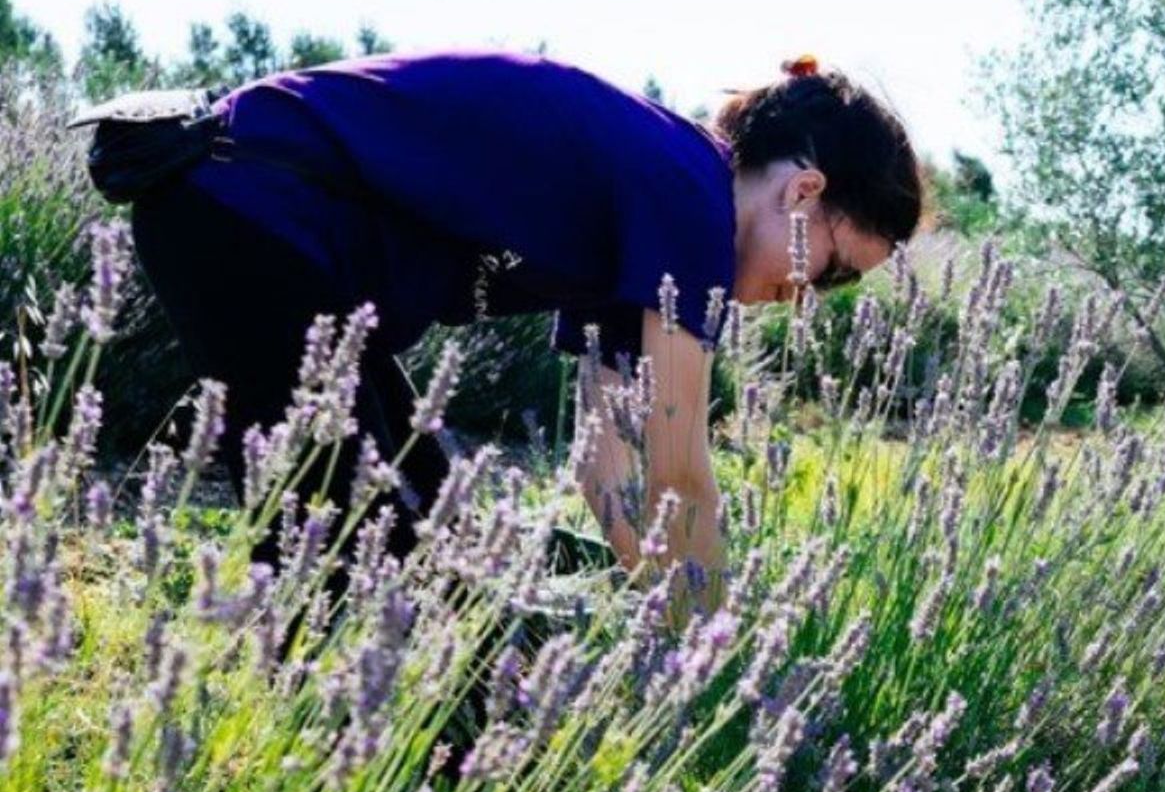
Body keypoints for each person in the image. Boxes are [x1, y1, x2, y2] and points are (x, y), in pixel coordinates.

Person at [108, 50, 920, 614]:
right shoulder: (689, 197)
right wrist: (714, 651)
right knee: (344, 558)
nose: (810, 298)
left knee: (434, 546)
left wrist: (662, 614)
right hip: (246, 212)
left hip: (256, 230)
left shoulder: (662, 213)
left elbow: (604, 471)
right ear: (803, 191)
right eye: (834, 270)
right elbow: (681, 474)